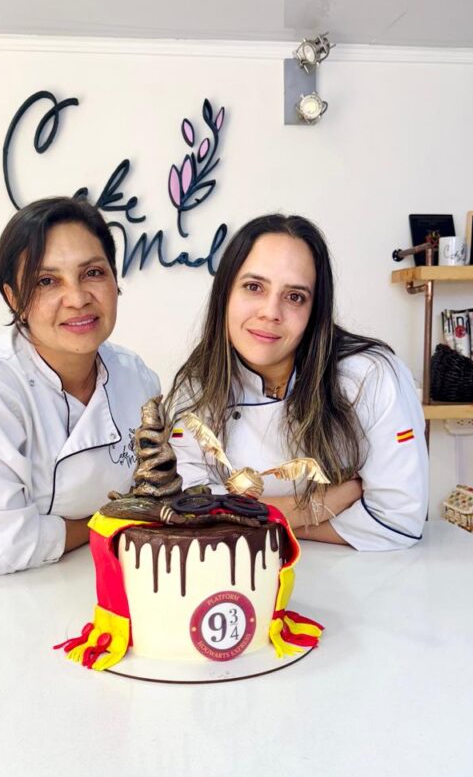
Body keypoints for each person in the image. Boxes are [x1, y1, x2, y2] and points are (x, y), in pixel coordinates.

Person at [0, 197, 159, 575]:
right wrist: (113, 524)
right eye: (47, 281)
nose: (77, 299)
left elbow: (155, 490)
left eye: (93, 273)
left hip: (100, 574)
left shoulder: (136, 378)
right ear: (15, 299)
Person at [166, 213, 428, 550]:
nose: (271, 312)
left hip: (362, 575)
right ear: (225, 293)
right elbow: (191, 511)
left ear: (315, 310)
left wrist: (253, 522)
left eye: (295, 297)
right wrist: (325, 503)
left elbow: (397, 520)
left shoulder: (371, 377)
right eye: (253, 287)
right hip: (236, 574)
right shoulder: (198, 386)